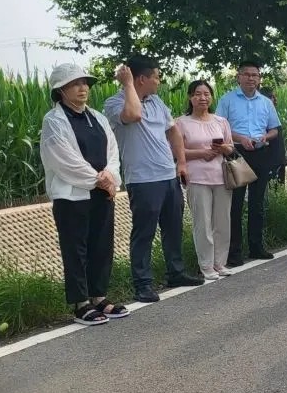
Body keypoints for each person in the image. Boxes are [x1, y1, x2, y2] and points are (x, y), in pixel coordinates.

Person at [104, 56, 203, 303]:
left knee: (173, 227)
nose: (159, 81)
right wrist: (128, 84)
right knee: (144, 232)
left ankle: (176, 273)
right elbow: (133, 115)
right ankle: (142, 283)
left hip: (168, 175)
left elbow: (173, 131)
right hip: (143, 180)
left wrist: (181, 162)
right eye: (156, 77)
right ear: (141, 79)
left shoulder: (157, 101)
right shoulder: (115, 103)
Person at [41, 64, 127, 325]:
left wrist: (109, 176)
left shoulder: (98, 117)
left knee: (101, 244)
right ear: (61, 90)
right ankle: (81, 304)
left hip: (102, 193)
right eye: (75, 84)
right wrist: (98, 180)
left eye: (85, 83)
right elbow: (63, 160)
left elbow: (112, 151)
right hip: (72, 196)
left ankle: (98, 297)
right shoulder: (54, 121)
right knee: (76, 248)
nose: (83, 88)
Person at [215, 59, 281, 266]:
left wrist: (265, 137)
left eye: (255, 75)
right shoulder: (227, 100)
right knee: (235, 204)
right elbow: (219, 128)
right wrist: (240, 138)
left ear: (259, 79)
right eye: (247, 74)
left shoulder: (266, 102)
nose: (251, 78)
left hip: (260, 153)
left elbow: (274, 129)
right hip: (237, 153)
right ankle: (234, 251)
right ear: (239, 77)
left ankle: (256, 246)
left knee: (257, 203)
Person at [175, 81, 236, 281]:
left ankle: (220, 262)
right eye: (198, 94)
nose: (203, 98)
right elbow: (176, 151)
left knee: (222, 222)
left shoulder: (221, 121)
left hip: (221, 177)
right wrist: (201, 153)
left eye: (207, 94)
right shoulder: (181, 123)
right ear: (190, 97)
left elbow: (230, 147)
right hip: (197, 178)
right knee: (202, 223)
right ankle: (206, 265)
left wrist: (224, 149)